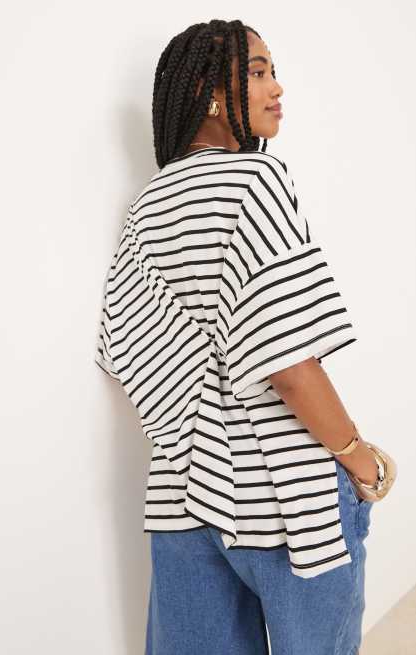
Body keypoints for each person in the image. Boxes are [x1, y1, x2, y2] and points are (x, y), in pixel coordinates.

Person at [95, 18, 396, 654]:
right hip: (291, 506)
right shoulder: (257, 181)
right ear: (205, 92)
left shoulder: (145, 208)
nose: (276, 87)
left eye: (271, 71)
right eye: (257, 72)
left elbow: (124, 353)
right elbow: (290, 364)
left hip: (183, 498)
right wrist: (360, 459)